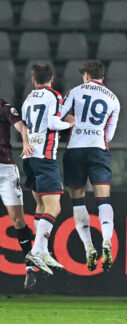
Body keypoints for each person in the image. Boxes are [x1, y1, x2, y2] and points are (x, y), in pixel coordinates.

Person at [59, 60, 120, 272]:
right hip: (98, 150)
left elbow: (58, 117)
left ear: (86, 75)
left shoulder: (74, 92)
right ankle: (106, 240)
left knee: (78, 201)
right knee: (103, 199)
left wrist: (70, 123)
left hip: (75, 150)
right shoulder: (113, 99)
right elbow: (109, 135)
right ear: (102, 76)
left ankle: (88, 247)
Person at [21, 62, 75, 276]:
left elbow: (24, 125)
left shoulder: (27, 99)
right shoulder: (54, 95)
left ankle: (42, 251)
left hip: (29, 157)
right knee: (54, 208)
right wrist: (71, 123)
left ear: (33, 80)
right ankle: (36, 251)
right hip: (45, 156)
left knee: (41, 205)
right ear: (51, 79)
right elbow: (53, 124)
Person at [0, 97, 36, 287]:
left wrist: (25, 142)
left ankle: (30, 266)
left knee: (18, 220)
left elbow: (21, 126)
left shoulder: (4, 107)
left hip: (5, 170)